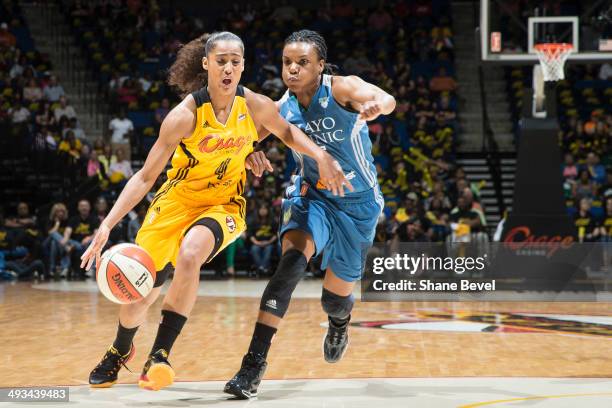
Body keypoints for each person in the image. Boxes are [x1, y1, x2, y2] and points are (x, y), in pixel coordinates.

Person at [81, 31, 347, 392]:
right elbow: (145, 177)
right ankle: (120, 348)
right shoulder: (184, 116)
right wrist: (107, 226)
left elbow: (286, 133)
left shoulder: (254, 105)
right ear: (207, 64)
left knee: (191, 254)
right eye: (221, 61)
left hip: (223, 205)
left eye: (235, 61)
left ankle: (159, 355)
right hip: (174, 205)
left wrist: (321, 156)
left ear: (243, 66)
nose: (228, 68)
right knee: (142, 293)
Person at [225, 30, 395, 399]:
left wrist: (377, 106)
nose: (293, 68)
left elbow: (386, 98)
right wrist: (250, 154)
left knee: (334, 299)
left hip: (358, 204)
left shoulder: (342, 88)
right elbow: (242, 142)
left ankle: (339, 322)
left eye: (302, 62)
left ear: (320, 65)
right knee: (290, 264)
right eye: (288, 62)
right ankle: (252, 366)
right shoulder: (280, 107)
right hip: (312, 195)